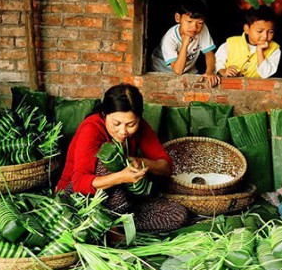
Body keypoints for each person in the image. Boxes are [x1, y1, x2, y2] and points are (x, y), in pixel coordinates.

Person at [56, 84, 188, 232]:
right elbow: (79, 182)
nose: (123, 131)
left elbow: (166, 166)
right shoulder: (91, 128)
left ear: (139, 118)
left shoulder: (141, 127)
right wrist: (121, 177)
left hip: (122, 201)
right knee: (107, 161)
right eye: (116, 124)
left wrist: (140, 162)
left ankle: (111, 226)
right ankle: (102, 223)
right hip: (77, 199)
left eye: (131, 124)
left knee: (177, 214)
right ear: (105, 114)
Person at [151, 0, 219, 88]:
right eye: (189, 21)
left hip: (188, 69)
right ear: (178, 18)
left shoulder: (202, 29)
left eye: (200, 23)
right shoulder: (169, 38)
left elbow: (209, 53)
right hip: (163, 71)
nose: (194, 27)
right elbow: (178, 71)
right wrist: (185, 44)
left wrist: (209, 72)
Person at [215, 5, 281, 79]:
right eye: (260, 31)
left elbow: (265, 74)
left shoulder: (274, 50)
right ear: (246, 29)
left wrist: (259, 51)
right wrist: (223, 71)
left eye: (270, 32)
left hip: (256, 89)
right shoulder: (231, 43)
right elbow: (217, 62)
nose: (265, 36)